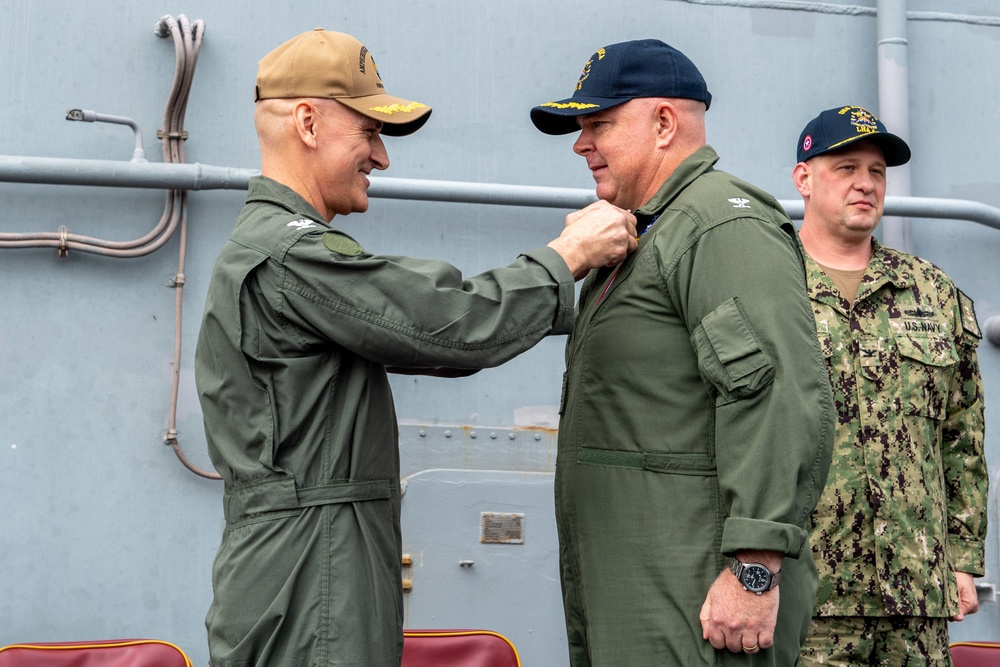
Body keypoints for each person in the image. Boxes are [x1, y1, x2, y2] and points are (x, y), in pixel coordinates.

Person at [194, 28, 637, 667]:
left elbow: (428, 345)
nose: (382, 156)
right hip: (311, 566)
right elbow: (446, 324)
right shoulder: (293, 253)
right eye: (369, 131)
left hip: (309, 557)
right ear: (309, 123)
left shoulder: (275, 250)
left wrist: (567, 300)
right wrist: (564, 258)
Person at [529, 39, 834, 666]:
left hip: (696, 595)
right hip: (646, 586)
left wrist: (755, 569)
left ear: (664, 123)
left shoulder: (719, 225)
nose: (581, 144)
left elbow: (777, 397)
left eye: (599, 125)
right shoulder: (648, 232)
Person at [791, 105, 989, 665]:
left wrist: (962, 560)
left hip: (917, 593)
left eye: (877, 171)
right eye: (846, 167)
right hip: (807, 592)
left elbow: (962, 438)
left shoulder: (930, 291)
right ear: (803, 178)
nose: (865, 183)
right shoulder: (769, 283)